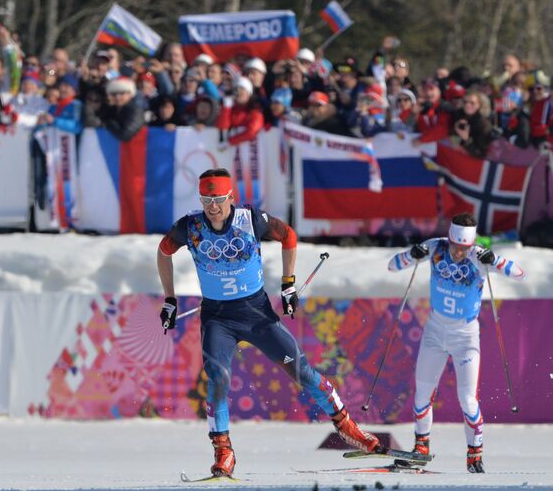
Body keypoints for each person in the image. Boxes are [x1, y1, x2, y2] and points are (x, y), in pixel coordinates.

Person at [157, 168, 380, 478]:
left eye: (219, 199)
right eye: (207, 200)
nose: (213, 207)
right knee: (218, 379)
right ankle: (224, 452)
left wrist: (288, 283)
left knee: (301, 371)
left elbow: (288, 236)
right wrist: (170, 299)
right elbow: (163, 250)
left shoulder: (250, 219)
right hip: (218, 318)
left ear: (231, 197)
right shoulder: (190, 227)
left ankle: (348, 427)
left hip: (257, 314)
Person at [387, 212, 526, 474]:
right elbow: (392, 267)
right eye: (455, 246)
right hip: (435, 332)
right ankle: (421, 450)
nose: (459, 253)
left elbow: (520, 274)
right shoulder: (435, 246)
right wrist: (411, 255)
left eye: (464, 248)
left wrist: (494, 259)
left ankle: (474, 455)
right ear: (449, 239)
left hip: (465, 337)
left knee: (467, 399)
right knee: (422, 396)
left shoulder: (478, 254)